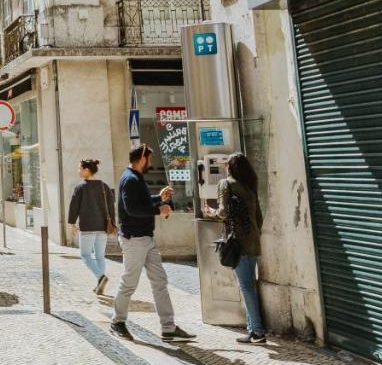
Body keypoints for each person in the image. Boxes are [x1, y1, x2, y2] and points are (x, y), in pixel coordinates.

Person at [111, 144, 195, 343]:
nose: (150, 163)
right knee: (129, 282)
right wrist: (159, 210)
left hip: (146, 238)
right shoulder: (130, 179)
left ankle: (168, 328)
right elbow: (132, 209)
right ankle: (117, 322)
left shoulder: (136, 178)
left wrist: (158, 198)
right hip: (134, 240)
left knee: (160, 281)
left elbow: (140, 201)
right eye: (149, 159)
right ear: (142, 158)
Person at [203, 153, 266, 344]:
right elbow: (259, 218)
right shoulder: (250, 186)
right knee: (248, 285)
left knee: (246, 287)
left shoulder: (226, 184)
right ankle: (252, 329)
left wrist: (210, 212)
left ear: (230, 167)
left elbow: (223, 213)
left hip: (238, 243)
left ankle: (257, 331)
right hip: (253, 241)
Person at [68, 158, 115, 295]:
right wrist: (113, 224)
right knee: (100, 256)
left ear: (87, 170)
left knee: (85, 255)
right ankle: (100, 284)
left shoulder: (81, 186)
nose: (78, 171)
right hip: (102, 226)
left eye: (80, 168)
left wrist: (71, 223)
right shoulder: (104, 186)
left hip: (88, 226)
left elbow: (74, 207)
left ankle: (101, 277)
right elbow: (111, 206)